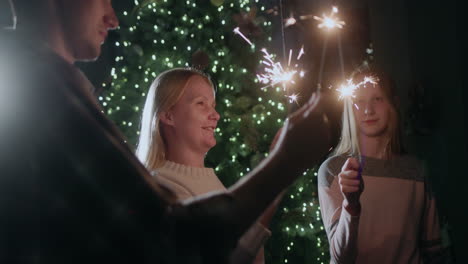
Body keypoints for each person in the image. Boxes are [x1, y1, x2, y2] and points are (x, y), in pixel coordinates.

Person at [0, 0, 335, 263]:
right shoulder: (44, 89)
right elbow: (167, 242)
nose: (113, 18)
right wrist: (285, 161)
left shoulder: (35, 83)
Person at [136, 68, 281, 263]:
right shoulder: (162, 188)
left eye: (213, 105)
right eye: (201, 104)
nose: (215, 115)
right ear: (168, 116)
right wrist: (278, 170)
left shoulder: (214, 185)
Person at [318, 68, 447, 263]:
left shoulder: (416, 170)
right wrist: (350, 204)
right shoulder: (333, 170)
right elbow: (341, 257)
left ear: (392, 104)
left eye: (377, 98)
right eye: (359, 101)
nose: (368, 110)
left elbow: (435, 250)